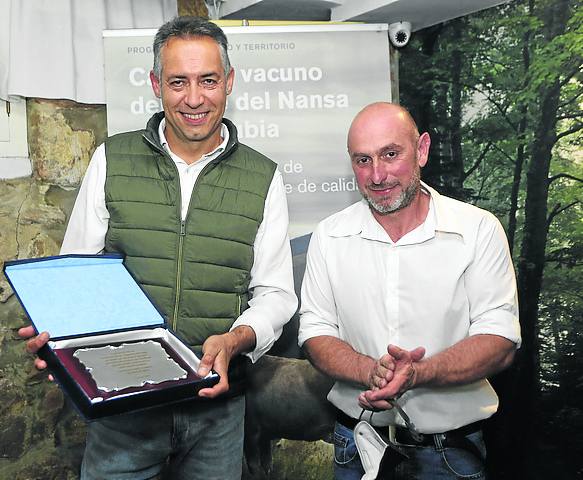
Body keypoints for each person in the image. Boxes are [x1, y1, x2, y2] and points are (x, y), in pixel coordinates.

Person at [18, 16, 297, 480]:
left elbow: (276, 295)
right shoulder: (112, 158)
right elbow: (78, 275)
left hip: (218, 413)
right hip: (123, 412)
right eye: (178, 82)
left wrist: (235, 340)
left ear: (228, 82)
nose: (193, 98)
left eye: (208, 80)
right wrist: (61, 341)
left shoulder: (263, 177)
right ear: (155, 84)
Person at [298, 102, 521, 479]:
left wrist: (418, 373)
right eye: (363, 160)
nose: (377, 175)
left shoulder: (477, 231)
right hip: (356, 446)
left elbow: (499, 342)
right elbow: (315, 332)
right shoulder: (330, 236)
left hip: (450, 455)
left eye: (390, 154)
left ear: (421, 150)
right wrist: (371, 371)